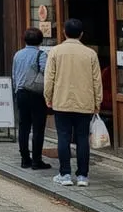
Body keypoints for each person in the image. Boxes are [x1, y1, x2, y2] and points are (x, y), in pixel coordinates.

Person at [44, 18, 103, 187]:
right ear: (81, 34)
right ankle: (83, 176)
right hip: (84, 102)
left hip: (61, 101)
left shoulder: (55, 52)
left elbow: (49, 78)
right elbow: (97, 80)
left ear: (64, 32)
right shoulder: (90, 54)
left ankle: (65, 174)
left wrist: (48, 97)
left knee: (63, 137)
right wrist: (97, 101)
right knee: (83, 138)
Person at [12, 27, 51, 170]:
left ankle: (24, 159)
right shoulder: (41, 55)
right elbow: (46, 73)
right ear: (40, 41)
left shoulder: (18, 54)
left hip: (21, 92)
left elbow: (14, 75)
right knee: (38, 128)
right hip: (36, 94)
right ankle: (36, 160)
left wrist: (16, 90)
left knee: (23, 127)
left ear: (25, 40)